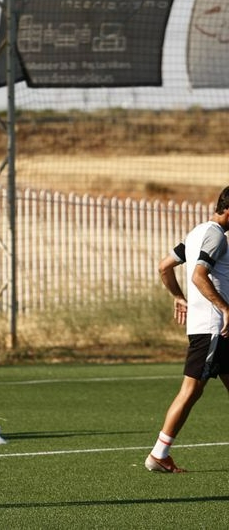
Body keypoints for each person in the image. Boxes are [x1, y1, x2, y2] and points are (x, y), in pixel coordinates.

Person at [145, 186, 229, 473]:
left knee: (193, 391)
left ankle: (160, 454)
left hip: (212, 329)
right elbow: (198, 275)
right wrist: (226, 308)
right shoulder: (216, 236)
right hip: (214, 329)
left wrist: (178, 297)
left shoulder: (197, 232)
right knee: (190, 391)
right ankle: (158, 454)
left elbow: (164, 266)